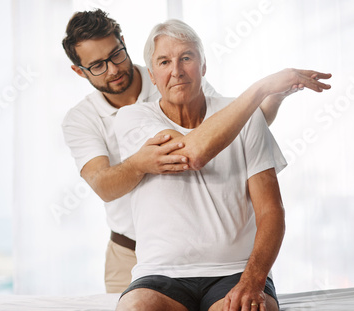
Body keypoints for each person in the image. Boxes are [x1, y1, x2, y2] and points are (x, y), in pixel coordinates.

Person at [61, 9, 302, 293]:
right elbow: (103, 185)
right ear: (79, 71)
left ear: (123, 43)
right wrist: (139, 164)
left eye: (116, 55)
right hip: (130, 250)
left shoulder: (172, 73)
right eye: (98, 65)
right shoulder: (81, 119)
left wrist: (273, 98)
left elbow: (231, 126)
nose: (113, 69)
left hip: (206, 254)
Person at [113, 19, 331, 311]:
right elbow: (192, 154)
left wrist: (252, 279)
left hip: (236, 272)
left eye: (186, 58)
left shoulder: (247, 118)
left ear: (204, 67)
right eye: (164, 62)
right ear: (152, 75)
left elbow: (271, 211)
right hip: (160, 275)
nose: (176, 71)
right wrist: (262, 89)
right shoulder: (132, 119)